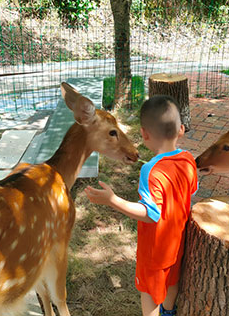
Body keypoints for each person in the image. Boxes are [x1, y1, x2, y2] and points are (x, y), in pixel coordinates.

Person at [84, 95, 198, 316]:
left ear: (145, 135)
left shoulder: (151, 171)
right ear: (181, 129)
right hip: (179, 242)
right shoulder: (188, 160)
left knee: (149, 292)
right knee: (171, 281)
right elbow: (191, 190)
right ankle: (169, 311)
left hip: (155, 251)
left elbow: (151, 213)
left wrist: (112, 200)